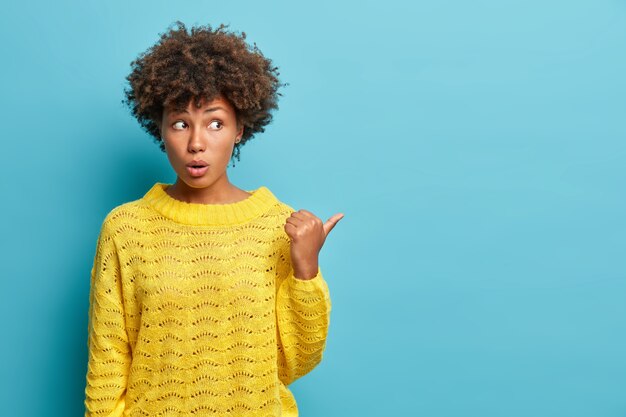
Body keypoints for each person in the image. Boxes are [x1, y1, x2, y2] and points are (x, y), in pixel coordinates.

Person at [83, 21, 344, 417]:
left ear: (241, 128)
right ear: (161, 128)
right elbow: (107, 364)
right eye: (181, 123)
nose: (196, 143)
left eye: (215, 122)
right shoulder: (126, 229)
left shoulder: (278, 227)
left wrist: (306, 270)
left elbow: (296, 361)